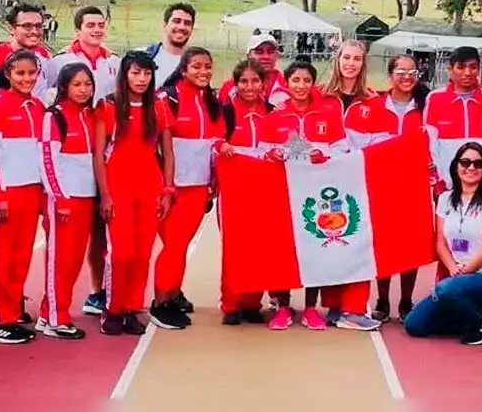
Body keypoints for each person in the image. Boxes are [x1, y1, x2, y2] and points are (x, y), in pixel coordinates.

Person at [259, 60, 372, 331]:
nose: (301, 86)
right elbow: (262, 149)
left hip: (315, 194)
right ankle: (283, 306)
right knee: (282, 249)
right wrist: (272, 154)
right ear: (287, 84)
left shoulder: (327, 114)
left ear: (313, 83)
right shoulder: (275, 116)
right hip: (283, 194)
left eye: (306, 81)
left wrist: (324, 156)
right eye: (295, 81)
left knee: (316, 247)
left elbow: (343, 148)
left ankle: (311, 307)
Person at [46, 6, 119, 318]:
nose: (97, 29)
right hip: (69, 151)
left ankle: (96, 291)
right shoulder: (59, 62)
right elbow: (47, 95)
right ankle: (53, 305)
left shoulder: (113, 62)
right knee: (63, 245)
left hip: (102, 153)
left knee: (100, 233)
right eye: (90, 24)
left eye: (101, 24)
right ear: (78, 30)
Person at [95, 51, 175, 336]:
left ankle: (132, 309)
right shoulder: (108, 106)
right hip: (118, 186)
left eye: (146, 73)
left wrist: (167, 191)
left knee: (142, 253)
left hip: (150, 187)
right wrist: (104, 194)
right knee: (122, 253)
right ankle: (113, 309)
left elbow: (167, 152)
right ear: (124, 74)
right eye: (135, 73)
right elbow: (98, 154)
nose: (142, 79)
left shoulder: (160, 107)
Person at [345, 53, 428, 322]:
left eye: (412, 73)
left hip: (414, 188)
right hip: (380, 188)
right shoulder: (369, 107)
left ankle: (406, 301)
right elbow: (354, 149)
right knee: (382, 244)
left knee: (412, 245)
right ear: (390, 75)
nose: (406, 78)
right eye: (400, 72)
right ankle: (382, 300)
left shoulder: (427, 107)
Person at [404, 142, 482, 345]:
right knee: (414, 325)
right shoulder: (445, 199)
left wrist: (464, 272)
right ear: (456, 166)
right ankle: (466, 315)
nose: (471, 168)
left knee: (446, 290)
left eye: (478, 164)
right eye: (465, 162)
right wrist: (453, 268)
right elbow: (440, 244)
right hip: (458, 275)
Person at [149, 47, 224, 329]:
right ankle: (161, 303)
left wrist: (215, 176)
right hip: (172, 187)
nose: (203, 71)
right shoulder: (167, 99)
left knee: (180, 245)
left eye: (207, 66)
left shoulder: (212, 99)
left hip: (199, 187)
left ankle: (172, 293)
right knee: (174, 245)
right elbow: (153, 144)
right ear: (183, 69)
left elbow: (215, 141)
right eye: (196, 66)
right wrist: (163, 186)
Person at [313, 40, 380, 330]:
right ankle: (332, 306)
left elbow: (378, 145)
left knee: (358, 242)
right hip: (322, 183)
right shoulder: (319, 97)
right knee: (327, 239)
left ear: (363, 64)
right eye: (346, 57)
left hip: (358, 185)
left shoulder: (373, 101)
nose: (350, 63)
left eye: (356, 58)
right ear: (337, 60)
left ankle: (354, 308)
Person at [0, 50, 45, 345]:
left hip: (32, 192)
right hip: (6, 193)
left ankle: (12, 311)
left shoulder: (39, 107)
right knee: (1, 258)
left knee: (21, 256)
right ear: (8, 75)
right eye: (20, 73)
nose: (27, 79)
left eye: (31, 73)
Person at [36, 63, 98, 339]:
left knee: (73, 261)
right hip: (64, 200)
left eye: (87, 84)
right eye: (77, 84)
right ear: (64, 87)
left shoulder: (92, 116)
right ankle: (54, 318)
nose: (83, 90)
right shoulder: (55, 117)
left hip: (87, 199)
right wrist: (59, 197)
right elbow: (48, 161)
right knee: (59, 260)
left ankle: (50, 312)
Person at [216, 60, 271, 326]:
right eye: (243, 81)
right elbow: (213, 140)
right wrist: (222, 144)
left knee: (260, 245)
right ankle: (231, 303)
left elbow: (290, 141)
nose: (249, 87)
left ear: (264, 84)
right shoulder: (225, 111)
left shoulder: (272, 112)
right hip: (233, 191)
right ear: (235, 84)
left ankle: (252, 302)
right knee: (234, 246)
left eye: (255, 81)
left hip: (264, 190)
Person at [423, 46, 482, 192]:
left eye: (473, 67)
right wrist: (437, 180)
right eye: (461, 67)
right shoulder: (435, 98)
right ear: (450, 69)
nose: (467, 73)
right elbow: (430, 144)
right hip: (447, 187)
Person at [0, 2, 52, 99]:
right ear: (11, 29)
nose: (35, 31)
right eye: (27, 26)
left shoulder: (45, 55)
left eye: (39, 26)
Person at [218, 33, 289, 105]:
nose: (265, 57)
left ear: (277, 55)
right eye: (259, 52)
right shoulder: (230, 86)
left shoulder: (290, 85)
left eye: (270, 52)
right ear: (248, 56)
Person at [144, 3, 196, 87]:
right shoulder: (144, 56)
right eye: (176, 21)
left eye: (187, 23)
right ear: (165, 25)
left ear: (191, 29)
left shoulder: (197, 64)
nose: (182, 27)